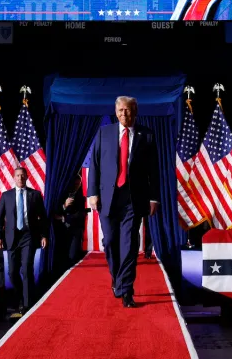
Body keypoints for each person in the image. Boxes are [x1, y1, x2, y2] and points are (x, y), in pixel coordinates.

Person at [87, 96, 160, 308]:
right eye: (120, 110)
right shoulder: (104, 133)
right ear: (115, 111)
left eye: (127, 110)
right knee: (110, 242)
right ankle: (117, 276)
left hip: (133, 198)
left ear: (135, 112)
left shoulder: (146, 135)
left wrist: (154, 197)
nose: (123, 114)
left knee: (129, 245)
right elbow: (95, 164)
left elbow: (154, 171)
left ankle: (126, 290)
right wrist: (92, 193)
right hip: (107, 198)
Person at [0, 167, 47, 318]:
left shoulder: (35, 195)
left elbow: (43, 217)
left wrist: (43, 235)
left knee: (27, 269)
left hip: (28, 236)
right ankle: (20, 299)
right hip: (11, 238)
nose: (20, 178)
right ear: (13, 177)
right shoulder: (6, 196)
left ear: (27, 177)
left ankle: (27, 304)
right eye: (18, 176)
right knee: (12, 272)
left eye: (23, 176)